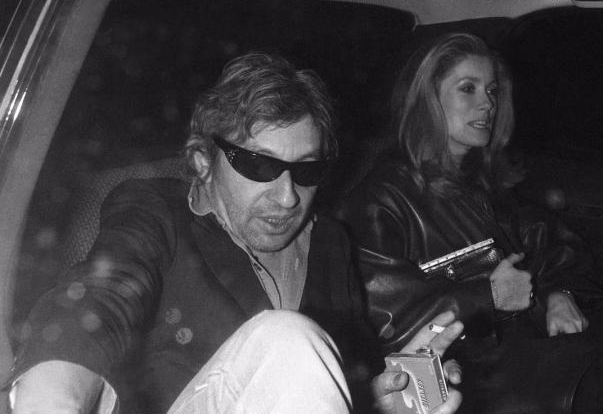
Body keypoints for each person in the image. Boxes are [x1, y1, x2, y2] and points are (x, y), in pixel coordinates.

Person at [5, 53, 463, 414]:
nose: (287, 196)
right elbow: (99, 299)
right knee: (286, 339)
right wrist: (55, 396)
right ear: (203, 161)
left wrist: (377, 400)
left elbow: (331, 378)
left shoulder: (329, 242)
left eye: (307, 170)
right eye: (259, 166)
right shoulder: (157, 211)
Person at [337, 33, 603, 413]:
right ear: (427, 99)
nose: (488, 103)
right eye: (467, 88)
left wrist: (558, 295)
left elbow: (553, 251)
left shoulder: (484, 184)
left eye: (492, 90)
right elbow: (384, 320)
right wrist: (488, 297)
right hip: (464, 369)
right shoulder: (382, 198)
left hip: (523, 342)